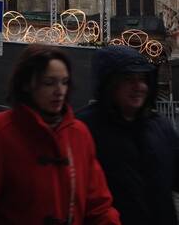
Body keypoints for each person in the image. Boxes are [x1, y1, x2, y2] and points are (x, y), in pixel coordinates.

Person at [0, 45, 121, 225]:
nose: (59, 91)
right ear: (27, 84)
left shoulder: (79, 133)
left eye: (64, 82)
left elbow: (98, 206)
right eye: (49, 83)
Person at [77, 45, 179, 225]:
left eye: (142, 79)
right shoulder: (84, 128)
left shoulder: (160, 125)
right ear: (110, 84)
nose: (138, 86)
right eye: (128, 79)